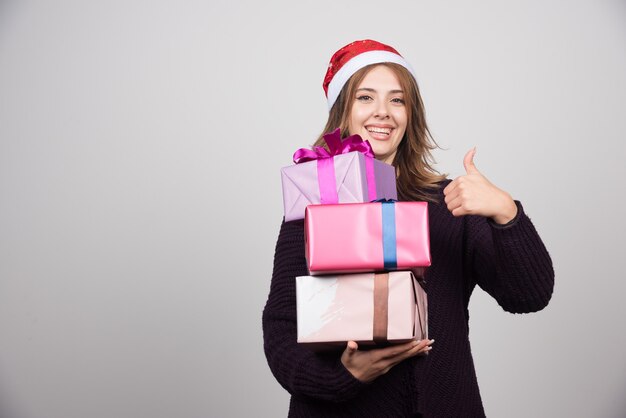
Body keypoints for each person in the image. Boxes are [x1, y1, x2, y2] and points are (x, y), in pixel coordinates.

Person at [262, 39, 554, 418]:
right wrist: (343, 377)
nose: (382, 112)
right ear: (343, 110)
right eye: (365, 97)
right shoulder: (313, 202)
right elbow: (282, 327)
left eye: (397, 100)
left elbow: (529, 296)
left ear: (410, 114)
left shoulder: (449, 204)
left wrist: (506, 212)